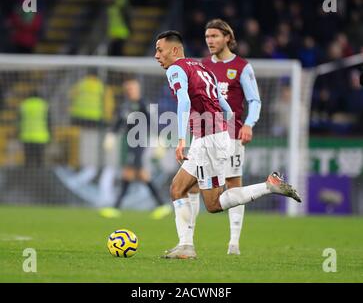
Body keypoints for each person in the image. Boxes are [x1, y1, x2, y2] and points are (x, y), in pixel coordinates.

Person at [154, 30, 301, 259]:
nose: (156, 55)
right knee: (177, 188)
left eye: (160, 50)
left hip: (208, 140)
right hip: (215, 137)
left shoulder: (176, 69)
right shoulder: (202, 68)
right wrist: (222, 134)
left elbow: (183, 101)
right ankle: (185, 246)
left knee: (212, 204)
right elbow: (226, 107)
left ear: (174, 50)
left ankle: (269, 186)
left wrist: (182, 139)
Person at [181, 18, 262, 256]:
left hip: (232, 136)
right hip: (204, 137)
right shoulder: (202, 66)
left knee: (233, 184)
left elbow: (254, 100)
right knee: (192, 185)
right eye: (207, 37)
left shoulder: (242, 67)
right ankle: (188, 241)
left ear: (228, 37)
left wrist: (248, 124)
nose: (210, 41)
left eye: (215, 36)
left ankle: (233, 243)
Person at [100, 78, 172, 219]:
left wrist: (159, 140)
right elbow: (117, 123)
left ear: (138, 89)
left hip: (139, 142)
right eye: (127, 89)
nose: (130, 91)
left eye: (132, 89)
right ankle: (161, 205)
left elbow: (153, 123)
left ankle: (116, 207)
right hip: (129, 143)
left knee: (130, 173)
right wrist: (111, 136)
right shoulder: (125, 106)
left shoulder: (143, 104)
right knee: (140, 174)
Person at [18, 91, 50, 167]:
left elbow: (19, 121)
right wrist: (51, 135)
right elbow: (49, 121)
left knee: (28, 159)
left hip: (26, 136)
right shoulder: (44, 105)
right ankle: (40, 175)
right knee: (40, 160)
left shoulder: (24, 105)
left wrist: (18, 134)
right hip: (41, 137)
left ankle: (27, 175)